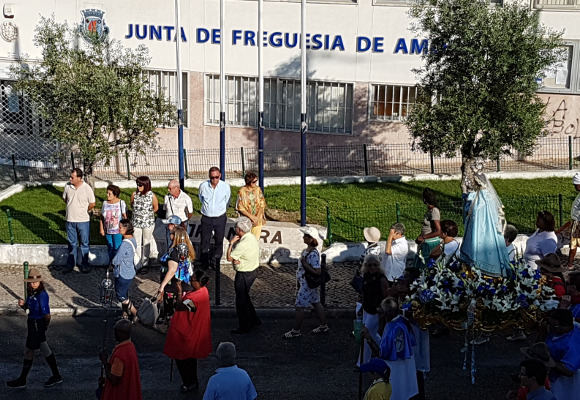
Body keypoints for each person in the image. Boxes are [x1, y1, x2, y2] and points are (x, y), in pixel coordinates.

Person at [6, 268, 62, 388]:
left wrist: (44, 326)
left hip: (37, 325)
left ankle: (23, 379)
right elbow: (30, 310)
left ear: (40, 282)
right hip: (33, 324)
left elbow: (47, 315)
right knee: (44, 349)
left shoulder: (42, 295)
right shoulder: (33, 294)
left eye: (36, 282)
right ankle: (56, 375)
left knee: (29, 351)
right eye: (31, 282)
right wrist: (23, 305)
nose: (33, 284)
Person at [163, 270, 212, 393]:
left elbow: (180, 305)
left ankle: (189, 382)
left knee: (184, 360)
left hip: (187, 333)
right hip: (191, 329)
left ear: (200, 283)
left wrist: (179, 290)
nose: (190, 280)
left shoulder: (196, 298)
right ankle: (192, 381)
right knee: (190, 360)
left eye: (193, 279)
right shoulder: (202, 291)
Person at [361, 297, 419, 400]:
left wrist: (368, 337)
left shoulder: (393, 330)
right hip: (405, 366)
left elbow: (381, 353)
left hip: (394, 368)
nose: (379, 315)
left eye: (381, 312)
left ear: (389, 313)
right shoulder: (402, 321)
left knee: (395, 393)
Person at [282, 226, 328, 338]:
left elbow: (317, 271)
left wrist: (305, 264)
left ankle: (296, 330)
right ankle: (323, 325)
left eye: (305, 236)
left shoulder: (312, 254)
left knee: (299, 306)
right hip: (306, 283)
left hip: (307, 285)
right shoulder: (309, 251)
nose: (303, 237)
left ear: (311, 239)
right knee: (316, 303)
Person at [227, 217, 261, 334]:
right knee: (245, 297)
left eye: (236, 227)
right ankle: (254, 318)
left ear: (240, 229)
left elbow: (229, 257)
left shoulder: (242, 244)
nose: (235, 229)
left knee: (241, 301)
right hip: (252, 271)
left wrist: (230, 244)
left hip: (243, 274)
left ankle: (244, 325)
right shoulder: (251, 237)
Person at [156, 226, 196, 321]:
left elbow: (172, 270)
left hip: (173, 286)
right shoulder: (187, 249)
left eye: (171, 233)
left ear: (175, 236)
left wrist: (162, 287)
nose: (169, 235)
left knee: (171, 312)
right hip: (185, 284)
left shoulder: (175, 251)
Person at [98, 319, 143, 400]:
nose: (114, 334)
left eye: (116, 331)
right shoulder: (130, 346)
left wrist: (104, 362)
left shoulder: (120, 354)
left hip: (119, 394)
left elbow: (114, 380)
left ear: (122, 333)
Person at [358, 254, 389, 367]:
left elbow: (386, 295)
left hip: (375, 311)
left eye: (375, 265)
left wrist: (382, 309)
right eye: (370, 265)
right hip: (367, 308)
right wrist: (361, 307)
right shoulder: (366, 276)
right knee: (373, 334)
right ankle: (384, 350)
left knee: (366, 335)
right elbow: (364, 294)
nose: (372, 267)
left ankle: (362, 362)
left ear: (378, 265)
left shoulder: (381, 278)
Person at [62, 167, 96, 274]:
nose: (70, 179)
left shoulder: (87, 188)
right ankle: (71, 264)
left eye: (72, 177)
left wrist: (86, 210)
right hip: (70, 220)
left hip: (83, 220)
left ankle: (85, 264)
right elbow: (65, 199)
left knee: (84, 243)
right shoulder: (67, 186)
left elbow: (92, 203)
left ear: (79, 178)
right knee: (72, 243)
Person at [199, 166, 231, 270]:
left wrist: (220, 210)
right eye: (212, 177)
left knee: (219, 240)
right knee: (204, 241)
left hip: (220, 217)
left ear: (220, 176)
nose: (214, 180)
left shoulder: (225, 187)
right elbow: (201, 199)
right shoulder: (203, 186)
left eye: (216, 177)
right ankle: (204, 263)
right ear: (209, 177)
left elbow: (227, 201)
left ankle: (215, 262)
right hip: (206, 218)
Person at [544, 309, 580, 400]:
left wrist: (553, 363)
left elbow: (569, 371)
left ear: (566, 326)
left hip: (565, 382)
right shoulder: (558, 331)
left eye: (554, 325)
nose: (550, 327)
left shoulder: (572, 344)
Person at [111, 219, 139, 324]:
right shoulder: (132, 240)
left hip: (123, 273)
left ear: (126, 228)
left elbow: (116, 260)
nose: (119, 229)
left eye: (121, 227)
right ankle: (125, 315)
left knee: (121, 296)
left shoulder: (124, 245)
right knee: (125, 294)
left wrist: (111, 263)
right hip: (130, 271)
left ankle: (135, 313)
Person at [131, 176, 159, 275]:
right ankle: (138, 264)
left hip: (147, 223)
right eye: (137, 185)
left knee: (146, 242)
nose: (138, 187)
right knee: (137, 243)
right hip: (136, 223)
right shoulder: (134, 194)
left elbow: (156, 207)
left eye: (140, 185)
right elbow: (132, 204)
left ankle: (145, 263)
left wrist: (148, 214)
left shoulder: (152, 195)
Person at [557, 172, 580, 270]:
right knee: (573, 244)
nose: (575, 187)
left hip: (578, 223)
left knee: (573, 244)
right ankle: (570, 263)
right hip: (576, 222)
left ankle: (570, 264)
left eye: (576, 185)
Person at [414, 188, 441, 269]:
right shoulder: (430, 211)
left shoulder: (434, 211)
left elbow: (438, 231)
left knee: (424, 265)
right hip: (425, 240)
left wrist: (423, 237)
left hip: (429, 242)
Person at [100, 184, 127, 263]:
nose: (107, 195)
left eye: (109, 194)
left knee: (117, 247)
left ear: (115, 195)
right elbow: (102, 217)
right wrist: (101, 228)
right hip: (108, 230)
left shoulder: (121, 203)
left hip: (118, 230)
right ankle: (111, 262)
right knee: (110, 247)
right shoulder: (105, 203)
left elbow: (124, 216)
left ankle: (116, 262)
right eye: (107, 193)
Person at [235, 172, 267, 241]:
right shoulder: (241, 191)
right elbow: (240, 207)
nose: (256, 183)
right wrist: (251, 217)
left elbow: (262, 204)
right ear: (249, 182)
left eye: (256, 181)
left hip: (258, 220)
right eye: (254, 182)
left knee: (255, 240)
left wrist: (257, 218)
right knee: (246, 240)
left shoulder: (258, 189)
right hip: (246, 220)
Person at [164, 179, 193, 248]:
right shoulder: (167, 197)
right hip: (170, 225)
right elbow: (165, 209)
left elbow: (190, 212)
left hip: (182, 224)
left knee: (183, 244)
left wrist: (184, 221)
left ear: (176, 188)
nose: (168, 190)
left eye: (170, 188)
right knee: (170, 243)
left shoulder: (186, 198)